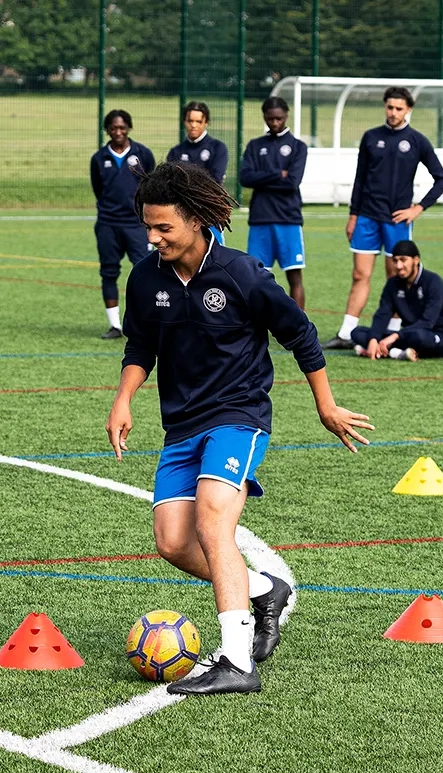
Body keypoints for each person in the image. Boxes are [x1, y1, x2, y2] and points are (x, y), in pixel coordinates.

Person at [105, 162, 373, 696]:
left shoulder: (241, 273)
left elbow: (301, 334)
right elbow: (141, 346)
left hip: (239, 415)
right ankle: (261, 589)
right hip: (180, 425)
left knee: (212, 522)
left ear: (197, 220)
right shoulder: (146, 278)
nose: (153, 238)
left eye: (164, 228)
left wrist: (327, 405)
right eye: (148, 228)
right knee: (172, 542)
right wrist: (123, 398)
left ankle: (236, 658)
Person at [322, 87, 443, 349]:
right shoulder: (371, 137)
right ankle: (346, 332)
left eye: (398, 108)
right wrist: (353, 215)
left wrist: (419, 208)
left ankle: (392, 332)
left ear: (408, 110)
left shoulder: (417, 141)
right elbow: (360, 179)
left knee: (396, 274)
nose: (393, 112)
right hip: (367, 216)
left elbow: (441, 179)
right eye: (389, 107)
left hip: (396, 220)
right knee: (360, 274)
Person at [90, 110, 155, 340]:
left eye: (122, 127)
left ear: (129, 128)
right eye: (113, 128)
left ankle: (146, 322)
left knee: (145, 272)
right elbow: (99, 190)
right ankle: (115, 326)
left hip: (136, 224)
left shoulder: (143, 154)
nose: (118, 132)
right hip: (108, 224)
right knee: (109, 272)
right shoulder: (99, 158)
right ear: (107, 130)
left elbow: (151, 186)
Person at [239, 96, 308, 308]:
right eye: (270, 119)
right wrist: (278, 174)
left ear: (286, 116)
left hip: (288, 219)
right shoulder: (254, 146)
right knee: (254, 277)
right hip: (260, 219)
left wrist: (262, 178)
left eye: (278, 118)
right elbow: (245, 178)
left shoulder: (298, 146)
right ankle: (254, 329)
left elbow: (293, 182)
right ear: (265, 118)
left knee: (294, 276)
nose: (275, 123)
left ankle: (299, 329)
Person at [351, 240, 443, 362]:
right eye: (395, 261)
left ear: (416, 260)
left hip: (433, 335)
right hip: (406, 335)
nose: (398, 266)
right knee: (357, 333)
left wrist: (395, 336)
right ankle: (398, 353)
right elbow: (383, 313)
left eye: (403, 260)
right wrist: (373, 339)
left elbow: (427, 322)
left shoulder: (433, 282)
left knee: (420, 337)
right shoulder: (393, 284)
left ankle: (390, 351)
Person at [167, 101, 229, 245]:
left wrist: (185, 183)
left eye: (198, 121)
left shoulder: (218, 148)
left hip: (210, 214)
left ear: (206, 122)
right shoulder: (176, 151)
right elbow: (171, 183)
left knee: (214, 260)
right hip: (183, 215)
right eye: (190, 121)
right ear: (184, 122)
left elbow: (214, 181)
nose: (194, 125)